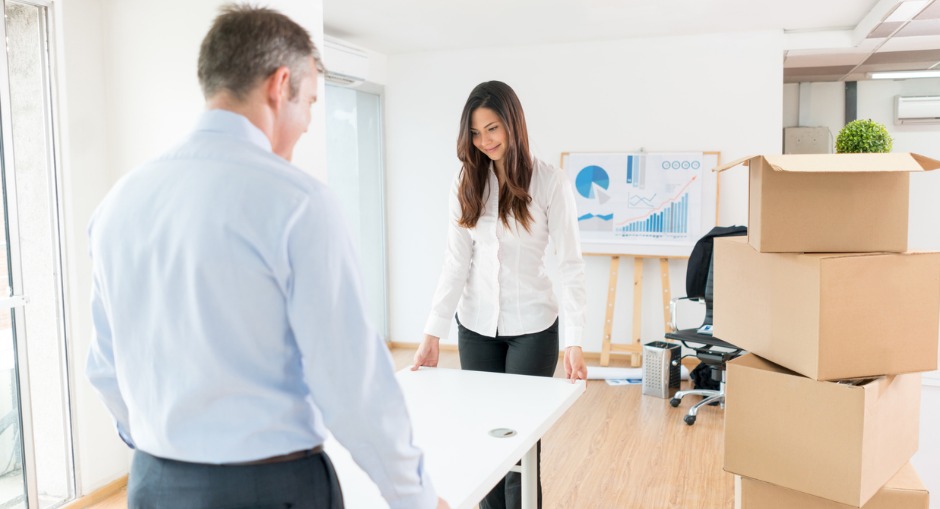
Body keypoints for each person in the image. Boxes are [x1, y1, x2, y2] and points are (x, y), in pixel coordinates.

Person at [86, 5, 446, 509]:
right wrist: (417, 499)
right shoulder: (299, 204)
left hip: (152, 484)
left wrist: (164, 447)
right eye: (310, 104)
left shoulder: (118, 203)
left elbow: (104, 368)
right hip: (271, 491)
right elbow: (353, 384)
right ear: (280, 86)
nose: (305, 126)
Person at [411, 80, 588, 509]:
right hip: (474, 326)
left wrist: (575, 340)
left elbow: (571, 265)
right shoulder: (467, 182)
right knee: (481, 443)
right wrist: (431, 333)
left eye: (492, 128)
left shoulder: (550, 182)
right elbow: (456, 264)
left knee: (520, 442)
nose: (485, 141)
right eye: (475, 132)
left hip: (533, 328)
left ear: (512, 123)